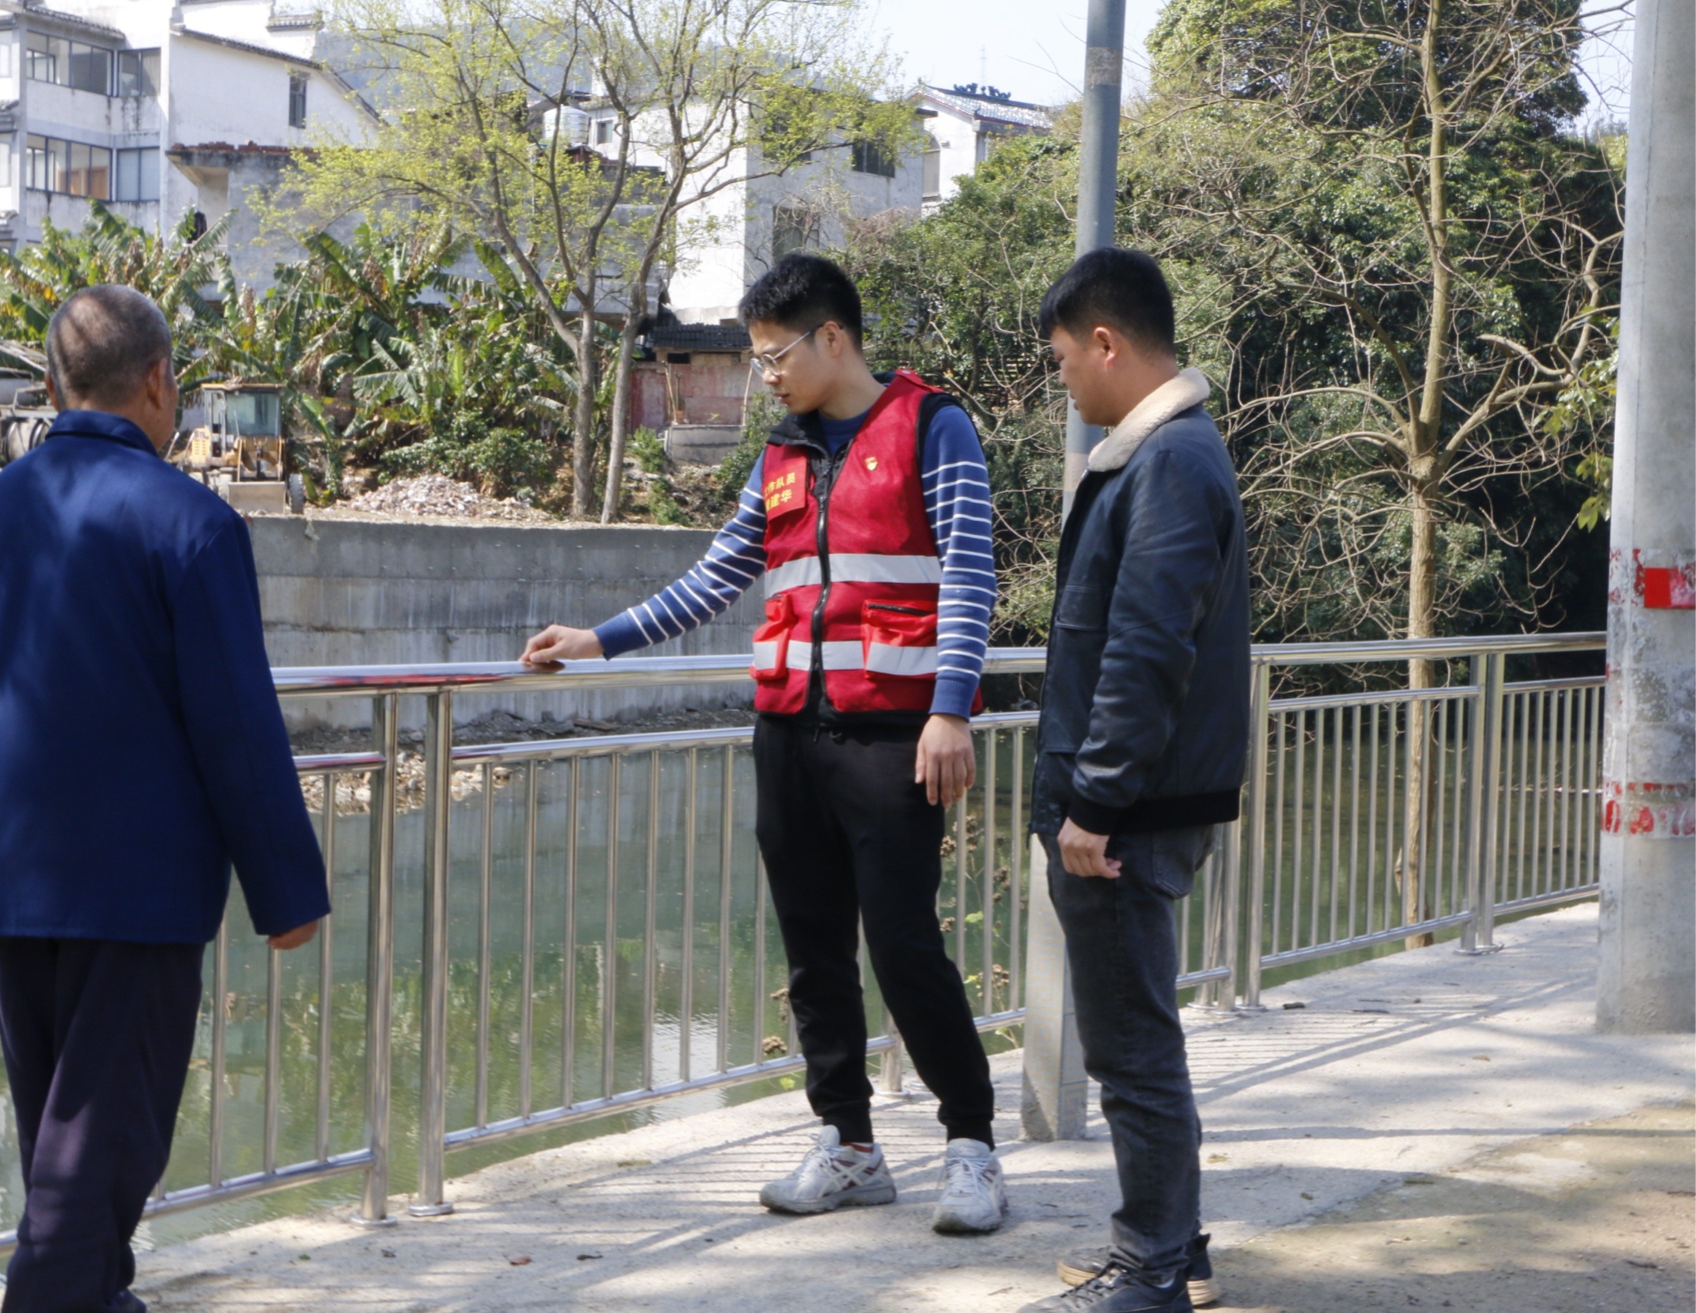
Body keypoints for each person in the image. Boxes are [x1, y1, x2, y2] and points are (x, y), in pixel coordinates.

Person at [522, 253, 1008, 1235]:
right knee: (811, 948)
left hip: (891, 734)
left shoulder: (932, 427)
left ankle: (970, 1147)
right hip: (787, 734)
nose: (767, 375)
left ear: (834, 337)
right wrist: (596, 640)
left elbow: (968, 574)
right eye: (758, 359)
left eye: (777, 354)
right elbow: (712, 578)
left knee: (904, 941)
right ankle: (850, 1145)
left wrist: (949, 709)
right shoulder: (781, 457)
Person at [0, 285, 331, 1313]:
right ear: (160, 383)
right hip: (139, 890)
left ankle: (99, 1296)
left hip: (20, 876)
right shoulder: (190, 521)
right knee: (97, 1155)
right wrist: (286, 895)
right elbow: (233, 720)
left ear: (57, 385)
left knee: (62, 1144)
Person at [1019, 249, 1249, 1313]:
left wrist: (1094, 803)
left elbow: (1146, 647)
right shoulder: (1170, 454)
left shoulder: (1168, 460)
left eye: (1065, 358)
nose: (1062, 379)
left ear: (1106, 343)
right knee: (1137, 1036)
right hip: (1136, 802)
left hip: (1126, 812)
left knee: (1131, 1048)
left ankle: (1149, 1269)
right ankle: (1172, 1244)